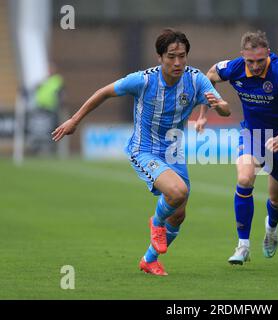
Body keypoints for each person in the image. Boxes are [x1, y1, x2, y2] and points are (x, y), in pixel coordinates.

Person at [52, 29, 230, 276]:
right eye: (171, 56)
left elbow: (225, 110)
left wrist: (220, 106)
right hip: (144, 149)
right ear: (159, 57)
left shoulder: (197, 79)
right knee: (178, 192)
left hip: (174, 153)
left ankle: (149, 260)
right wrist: (74, 120)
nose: (177, 62)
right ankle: (156, 223)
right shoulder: (143, 80)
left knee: (178, 215)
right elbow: (103, 92)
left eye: (182, 56)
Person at [196, 30, 278, 265]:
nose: (256, 66)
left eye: (260, 61)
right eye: (250, 61)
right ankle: (243, 246)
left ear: (268, 53)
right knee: (245, 178)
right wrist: (203, 113)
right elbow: (207, 77)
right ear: (243, 56)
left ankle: (271, 227)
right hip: (252, 134)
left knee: (276, 199)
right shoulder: (235, 68)